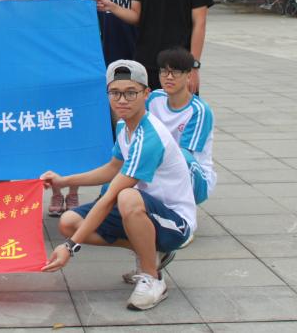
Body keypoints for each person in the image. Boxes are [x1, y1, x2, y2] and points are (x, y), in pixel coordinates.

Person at [40, 60, 195, 312]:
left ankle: (152, 277)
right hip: (144, 212)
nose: (122, 100)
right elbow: (113, 168)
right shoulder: (125, 125)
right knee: (69, 222)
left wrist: (70, 247)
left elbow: (111, 196)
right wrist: (64, 181)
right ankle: (150, 251)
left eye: (131, 93)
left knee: (126, 196)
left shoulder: (149, 137)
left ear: (146, 94)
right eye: (115, 93)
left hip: (175, 222)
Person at [147, 47, 215, 205]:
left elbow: (184, 155)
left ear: (189, 75)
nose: (169, 77)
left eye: (176, 72)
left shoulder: (199, 110)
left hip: (195, 175)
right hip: (159, 165)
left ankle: (181, 211)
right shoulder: (154, 99)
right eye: (164, 71)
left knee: (183, 158)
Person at [46, 0, 83, 217]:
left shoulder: (86, 8)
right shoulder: (44, 10)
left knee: (78, 139)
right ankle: (56, 192)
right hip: (52, 83)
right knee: (54, 139)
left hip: (79, 84)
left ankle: (74, 192)